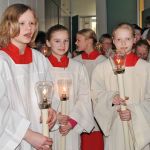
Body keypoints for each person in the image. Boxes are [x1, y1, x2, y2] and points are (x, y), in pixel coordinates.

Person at [0, 4, 57, 150]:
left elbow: (50, 91)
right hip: (14, 138)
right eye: (22, 23)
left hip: (40, 132)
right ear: (9, 25)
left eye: (32, 23)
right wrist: (28, 135)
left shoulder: (39, 59)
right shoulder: (2, 60)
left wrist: (51, 110)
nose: (29, 28)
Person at [91, 23, 150, 150]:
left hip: (140, 128)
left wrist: (134, 113)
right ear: (113, 40)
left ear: (134, 39)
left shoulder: (146, 68)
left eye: (127, 39)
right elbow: (95, 94)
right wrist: (111, 98)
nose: (123, 43)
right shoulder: (102, 68)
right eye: (119, 39)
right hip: (115, 126)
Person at [45, 24, 95, 150]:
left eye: (66, 41)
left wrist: (72, 121)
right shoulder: (42, 67)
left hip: (71, 125)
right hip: (49, 126)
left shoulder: (78, 67)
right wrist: (55, 117)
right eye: (57, 41)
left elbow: (84, 96)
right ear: (48, 43)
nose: (62, 45)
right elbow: (38, 97)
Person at [74, 28, 106, 150]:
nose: (76, 43)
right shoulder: (75, 62)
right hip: (79, 111)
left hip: (96, 113)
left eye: (78, 40)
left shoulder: (103, 62)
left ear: (89, 41)